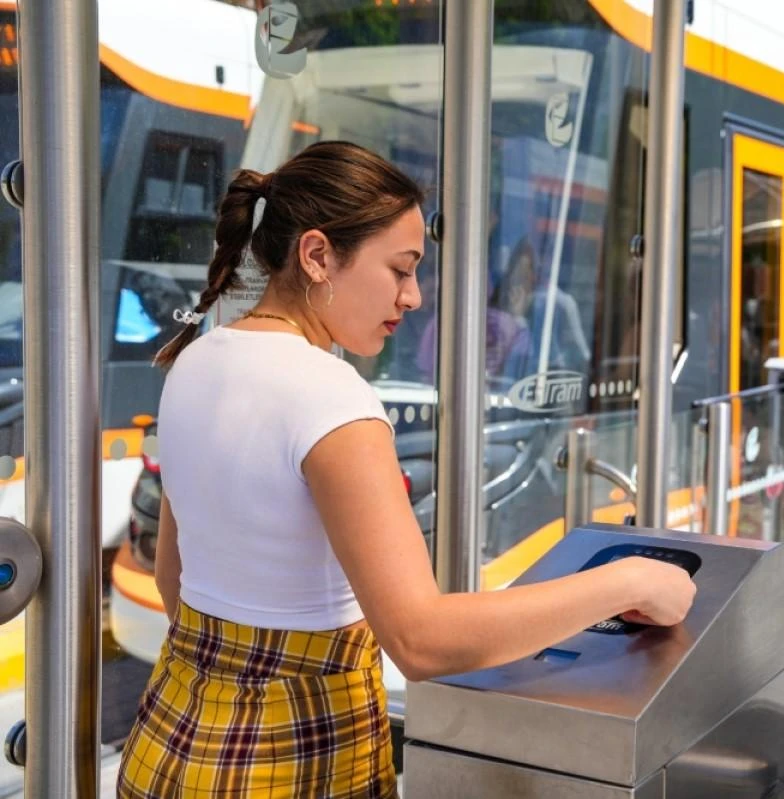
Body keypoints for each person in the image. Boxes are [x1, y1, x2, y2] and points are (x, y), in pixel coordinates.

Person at [116, 141, 696, 797]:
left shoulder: (196, 361)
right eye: (401, 269)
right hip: (296, 762)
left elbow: (175, 578)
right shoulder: (330, 396)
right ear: (316, 255)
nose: (415, 296)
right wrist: (631, 580)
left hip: (170, 744)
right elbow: (420, 640)